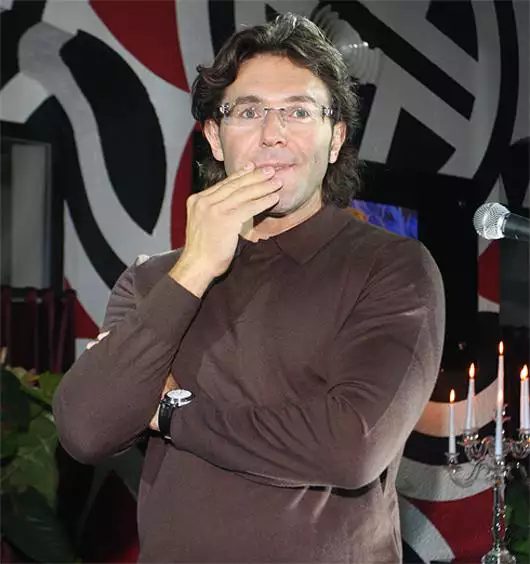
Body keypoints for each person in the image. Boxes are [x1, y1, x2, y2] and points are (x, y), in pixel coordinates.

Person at [53, 13, 445, 563]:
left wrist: (173, 413)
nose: (273, 132)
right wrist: (194, 268)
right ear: (216, 137)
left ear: (335, 138)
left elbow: (352, 445)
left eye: (299, 111)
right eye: (249, 110)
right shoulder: (153, 281)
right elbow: (86, 428)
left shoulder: (392, 267)